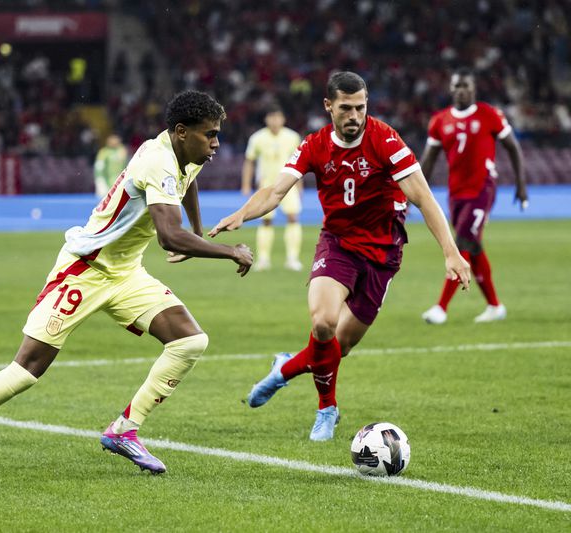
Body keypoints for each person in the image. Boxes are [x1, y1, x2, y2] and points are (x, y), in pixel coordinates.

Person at [0, 90, 253, 479]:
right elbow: (167, 237)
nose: (216, 144)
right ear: (180, 132)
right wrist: (228, 251)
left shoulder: (184, 154)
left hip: (125, 273)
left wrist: (196, 231)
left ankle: (124, 430)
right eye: (210, 135)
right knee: (28, 368)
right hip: (84, 270)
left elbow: (187, 183)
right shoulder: (157, 161)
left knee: (190, 341)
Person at [210, 72, 470, 441]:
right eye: (346, 108)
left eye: (360, 108)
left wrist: (451, 252)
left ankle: (284, 369)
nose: (354, 116)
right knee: (323, 323)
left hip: (383, 254)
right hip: (339, 245)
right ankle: (327, 409)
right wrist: (242, 213)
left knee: (338, 347)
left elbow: (423, 197)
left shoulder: (385, 139)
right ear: (328, 106)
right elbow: (275, 191)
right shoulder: (315, 145)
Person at [420, 68, 529, 325]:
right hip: (456, 193)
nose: (462, 90)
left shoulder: (489, 115)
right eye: (457, 86)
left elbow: (513, 147)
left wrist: (521, 185)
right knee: (474, 246)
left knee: (462, 243)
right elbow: (427, 161)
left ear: (474, 88)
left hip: (483, 189)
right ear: (451, 89)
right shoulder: (440, 121)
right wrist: (411, 193)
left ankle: (441, 308)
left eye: (466, 86)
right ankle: (494, 306)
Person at [241, 105, 304, 271]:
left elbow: (300, 163)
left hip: (289, 184)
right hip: (266, 185)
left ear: (283, 119)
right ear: (266, 119)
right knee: (266, 220)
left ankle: (292, 258)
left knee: (293, 217)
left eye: (278, 117)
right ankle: (263, 259)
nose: (275, 121)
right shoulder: (257, 138)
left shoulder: (292, 137)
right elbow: (249, 161)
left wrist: (300, 186)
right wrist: (246, 184)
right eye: (272, 117)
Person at [93, 133, 128, 198]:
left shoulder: (122, 150)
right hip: (106, 183)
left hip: (120, 183)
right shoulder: (103, 152)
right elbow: (98, 169)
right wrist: (100, 182)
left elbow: (126, 166)